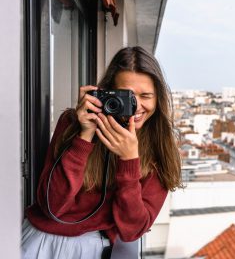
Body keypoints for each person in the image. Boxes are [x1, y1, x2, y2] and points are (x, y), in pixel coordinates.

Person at [22, 46, 182, 259]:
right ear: (107, 93)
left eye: (145, 96)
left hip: (95, 248)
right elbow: (53, 206)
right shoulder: (73, 122)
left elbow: (133, 230)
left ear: (158, 98)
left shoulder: (158, 147)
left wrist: (129, 160)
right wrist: (84, 136)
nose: (135, 107)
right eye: (126, 96)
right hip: (40, 241)